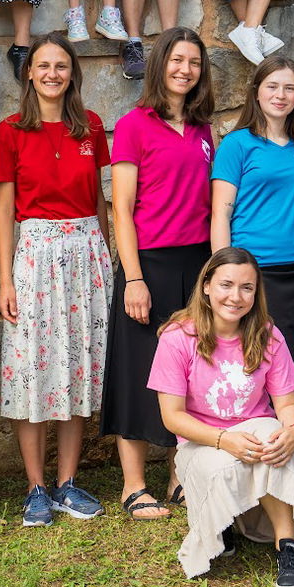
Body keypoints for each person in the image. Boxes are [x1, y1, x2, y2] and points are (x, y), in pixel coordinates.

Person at [0, 33, 114, 526]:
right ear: (29, 72)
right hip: (35, 257)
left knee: (77, 368)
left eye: (61, 66)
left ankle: (67, 481)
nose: (52, 74)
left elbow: (100, 201)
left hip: (86, 254)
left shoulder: (92, 128)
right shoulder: (10, 131)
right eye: (43, 65)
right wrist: (5, 280)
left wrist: (106, 258)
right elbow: (3, 212)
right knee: (31, 371)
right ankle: (35, 487)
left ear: (72, 73)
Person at [149, 247, 294, 587]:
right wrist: (223, 439)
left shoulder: (267, 334)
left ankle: (287, 547)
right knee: (223, 463)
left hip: (256, 432)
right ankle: (222, 522)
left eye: (247, 288)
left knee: (274, 441)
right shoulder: (177, 337)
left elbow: (287, 403)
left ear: (256, 294)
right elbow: (172, 417)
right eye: (226, 284)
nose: (236, 296)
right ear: (207, 285)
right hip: (201, 440)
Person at [210, 57, 294, 517]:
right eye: (273, 86)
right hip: (253, 276)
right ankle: (244, 476)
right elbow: (221, 212)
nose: (281, 95)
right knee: (249, 376)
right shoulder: (238, 145)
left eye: (291, 88)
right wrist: (222, 275)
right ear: (256, 91)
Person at [102, 27, 216, 520]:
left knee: (190, 373)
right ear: (160, 65)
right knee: (138, 371)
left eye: (193, 62)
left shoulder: (206, 130)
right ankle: (132, 485)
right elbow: (121, 209)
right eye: (176, 60)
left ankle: (179, 477)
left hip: (197, 265)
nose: (184, 69)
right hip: (147, 262)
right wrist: (133, 277)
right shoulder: (133, 125)